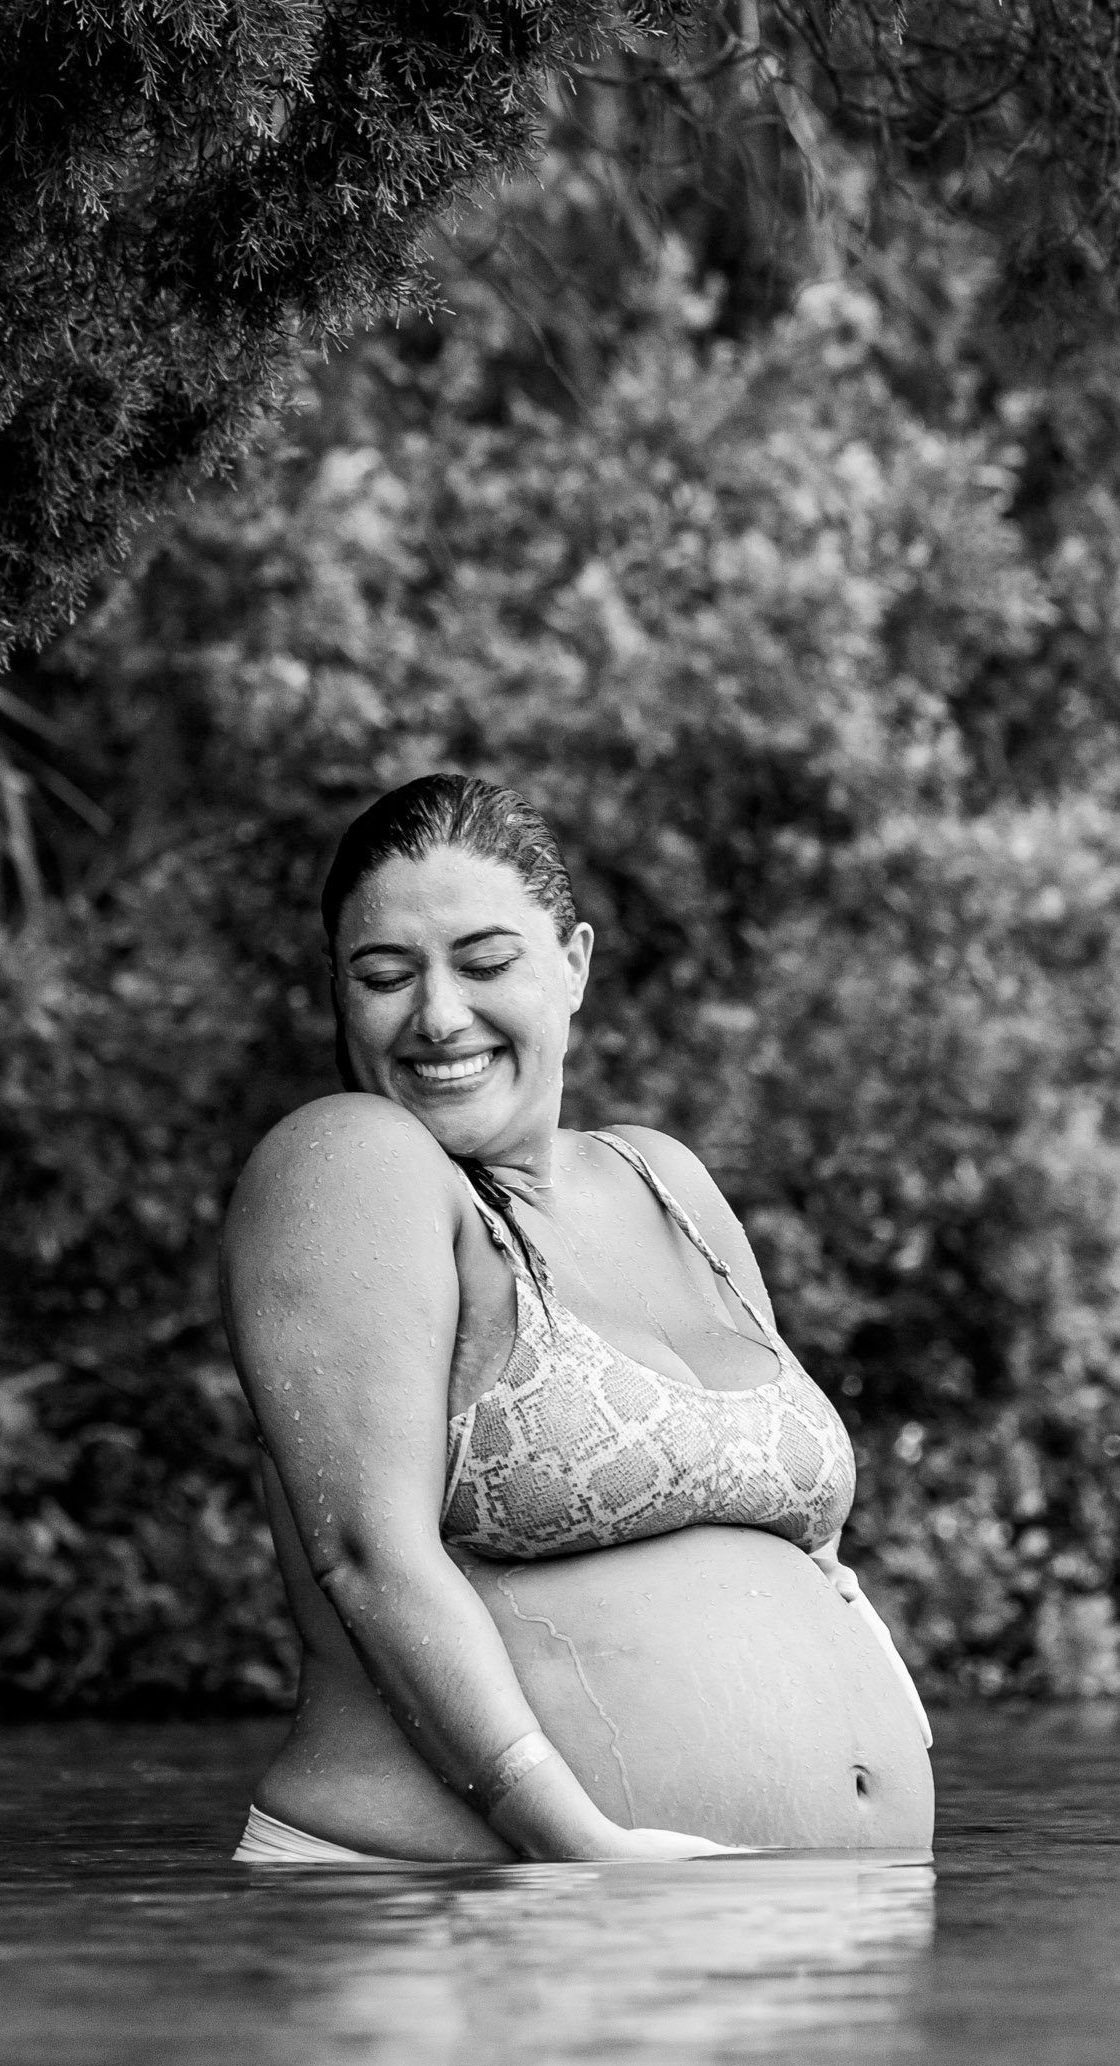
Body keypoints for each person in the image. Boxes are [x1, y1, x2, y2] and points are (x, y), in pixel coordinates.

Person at [221, 776, 935, 1866]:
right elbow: (371, 1559)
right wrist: (581, 1853)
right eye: (382, 976)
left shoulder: (665, 1182)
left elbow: (803, 1542)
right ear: (337, 993)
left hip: (782, 1935)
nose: (437, 1015)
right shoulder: (353, 1162)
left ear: (574, 965)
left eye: (485, 961)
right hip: (475, 1914)